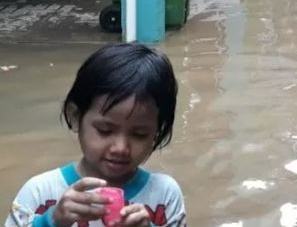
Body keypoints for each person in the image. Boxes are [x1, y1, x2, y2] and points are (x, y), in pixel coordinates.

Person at [6, 44, 185, 227]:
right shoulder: (41, 193)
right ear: (75, 117)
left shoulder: (164, 195)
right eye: (104, 130)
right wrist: (50, 221)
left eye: (139, 134)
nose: (121, 148)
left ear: (157, 130)